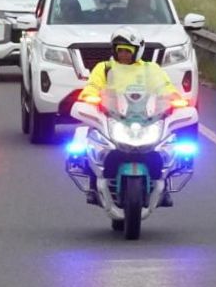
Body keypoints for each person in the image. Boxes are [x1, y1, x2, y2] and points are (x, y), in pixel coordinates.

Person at [78, 27, 184, 207]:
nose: (124, 54)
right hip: (111, 117)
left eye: (128, 51)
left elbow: (164, 87)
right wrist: (89, 96)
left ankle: (164, 186)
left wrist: (173, 97)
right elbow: (93, 86)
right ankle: (93, 186)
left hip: (146, 117)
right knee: (89, 142)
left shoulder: (150, 69)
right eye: (120, 50)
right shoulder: (104, 68)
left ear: (137, 51)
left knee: (168, 145)